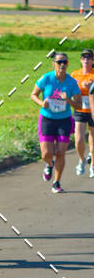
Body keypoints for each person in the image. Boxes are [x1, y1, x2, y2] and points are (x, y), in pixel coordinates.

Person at [30, 53, 81, 193]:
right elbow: (33, 94)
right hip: (47, 119)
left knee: (60, 152)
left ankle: (56, 183)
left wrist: (68, 100)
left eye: (64, 62)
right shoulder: (46, 78)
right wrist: (42, 103)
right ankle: (49, 164)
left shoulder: (71, 82)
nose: (62, 65)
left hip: (64, 120)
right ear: (54, 63)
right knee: (46, 153)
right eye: (59, 62)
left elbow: (79, 105)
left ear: (68, 64)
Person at [69, 48, 94, 175]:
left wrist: (91, 87)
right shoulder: (75, 74)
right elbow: (69, 88)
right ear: (80, 59)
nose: (86, 60)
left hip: (93, 109)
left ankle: (93, 166)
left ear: (92, 60)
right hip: (80, 108)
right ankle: (82, 160)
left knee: (92, 137)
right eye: (84, 57)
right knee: (78, 138)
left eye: (89, 58)